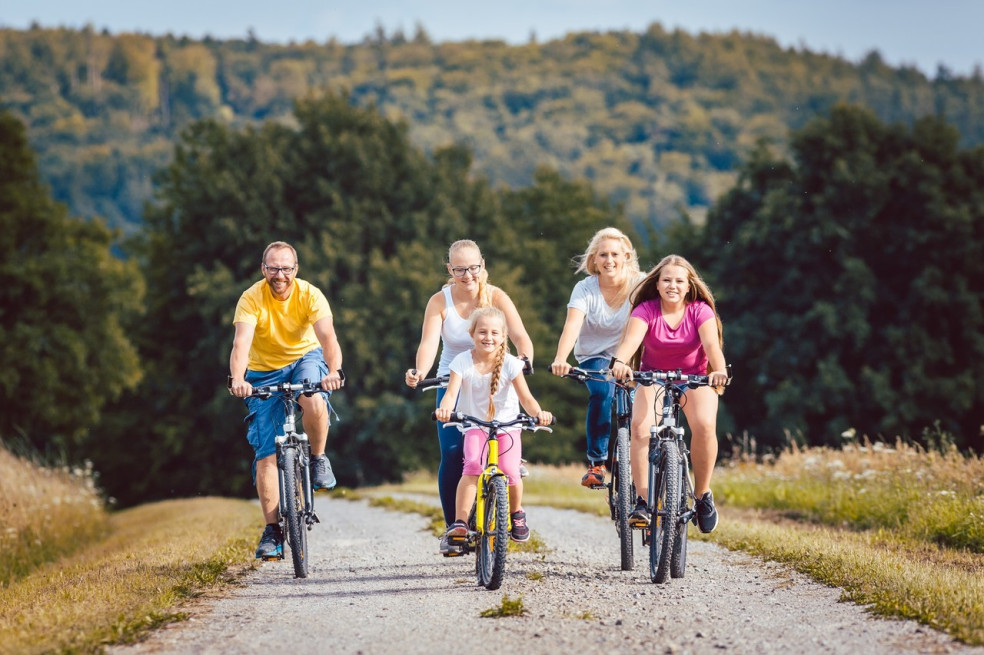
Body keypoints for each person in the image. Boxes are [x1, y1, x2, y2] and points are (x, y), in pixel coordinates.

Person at [405, 240, 535, 555]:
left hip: (493, 377)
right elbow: (428, 344)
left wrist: (525, 357)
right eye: (460, 269)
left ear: (482, 265)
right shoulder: (440, 301)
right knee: (453, 455)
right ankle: (456, 527)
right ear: (450, 269)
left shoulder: (497, 296)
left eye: (473, 268)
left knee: (502, 454)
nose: (467, 275)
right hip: (454, 378)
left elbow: (518, 334)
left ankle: (503, 509)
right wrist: (420, 371)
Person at [229, 241, 345, 559]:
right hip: (263, 372)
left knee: (314, 396)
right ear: (263, 269)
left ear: (296, 269)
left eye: (286, 268)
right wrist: (237, 379)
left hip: (304, 359)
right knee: (266, 455)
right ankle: (273, 532)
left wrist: (333, 370)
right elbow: (241, 344)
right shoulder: (251, 298)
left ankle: (319, 458)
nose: (280, 275)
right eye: (273, 268)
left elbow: (328, 338)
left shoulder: (310, 294)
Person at [610, 254, 728, 533]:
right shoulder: (646, 310)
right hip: (653, 376)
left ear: (689, 286)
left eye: (679, 281)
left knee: (705, 425)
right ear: (657, 284)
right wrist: (620, 363)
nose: (672, 285)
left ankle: (702, 496)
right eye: (667, 280)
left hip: (695, 378)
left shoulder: (700, 311)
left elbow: (712, 347)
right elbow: (630, 342)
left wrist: (718, 370)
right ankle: (642, 500)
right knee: (640, 428)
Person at [435, 307, 552, 547]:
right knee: (473, 467)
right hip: (474, 425)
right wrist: (445, 410)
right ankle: (460, 522)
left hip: (507, 427)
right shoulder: (461, 361)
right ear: (472, 334)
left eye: (494, 333)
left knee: (510, 470)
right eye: (482, 332)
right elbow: (450, 394)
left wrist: (539, 414)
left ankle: (516, 514)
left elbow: (526, 399)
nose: (488, 337)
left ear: (503, 336)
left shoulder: (511, 364)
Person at [549, 227, 643, 488]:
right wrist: (561, 358)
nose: (609, 260)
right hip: (595, 356)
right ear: (594, 259)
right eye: (603, 254)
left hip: (632, 358)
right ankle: (598, 462)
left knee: (642, 407)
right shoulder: (585, 289)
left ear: (626, 256)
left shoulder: (640, 283)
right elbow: (572, 326)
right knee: (602, 392)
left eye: (614, 254)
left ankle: (648, 463)